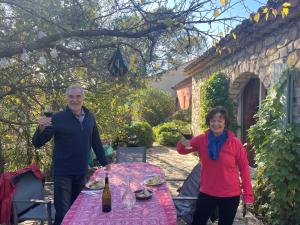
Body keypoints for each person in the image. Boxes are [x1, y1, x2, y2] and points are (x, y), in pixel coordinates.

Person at [32, 84, 108, 225]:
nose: (75, 100)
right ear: (67, 98)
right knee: (63, 213)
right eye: (71, 97)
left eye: (78, 96)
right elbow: (37, 142)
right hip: (63, 174)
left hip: (81, 171)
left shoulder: (90, 117)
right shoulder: (58, 118)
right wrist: (41, 128)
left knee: (79, 210)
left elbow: (96, 142)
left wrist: (106, 164)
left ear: (83, 98)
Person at [177, 106, 254, 225]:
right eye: (213, 120)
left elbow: (244, 169)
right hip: (207, 191)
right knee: (197, 222)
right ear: (209, 122)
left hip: (230, 194)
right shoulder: (202, 139)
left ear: (225, 123)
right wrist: (182, 144)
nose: (216, 124)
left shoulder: (235, 143)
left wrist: (248, 195)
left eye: (220, 120)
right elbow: (184, 150)